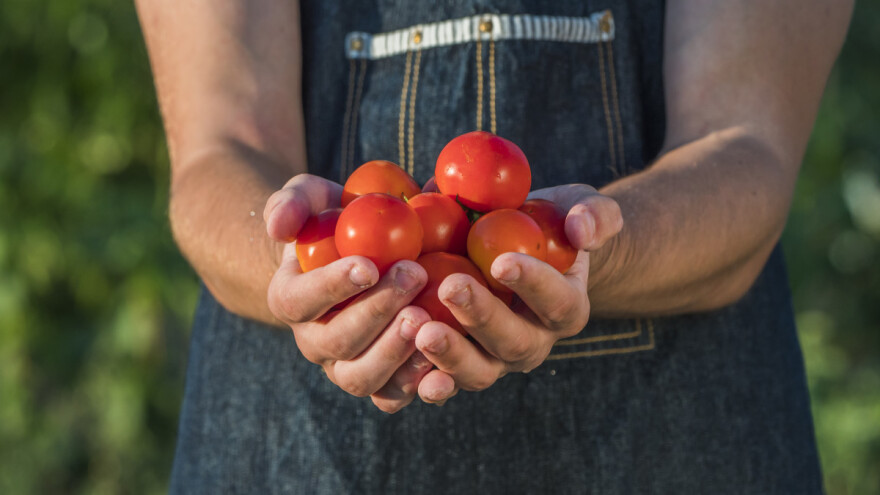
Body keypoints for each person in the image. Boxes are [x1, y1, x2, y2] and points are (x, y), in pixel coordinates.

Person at [136, 0, 852, 492]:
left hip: (676, 438)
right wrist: (298, 260)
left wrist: (592, 247)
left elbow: (746, 148)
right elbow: (217, 153)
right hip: (296, 447)